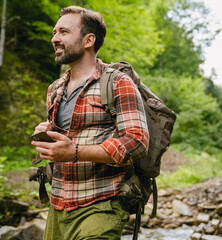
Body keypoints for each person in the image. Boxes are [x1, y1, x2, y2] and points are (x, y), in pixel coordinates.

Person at [31, 6, 149, 240]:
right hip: (58, 204)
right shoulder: (55, 88)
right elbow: (67, 137)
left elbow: (137, 143)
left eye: (63, 32)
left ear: (89, 40)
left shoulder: (117, 83)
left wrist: (74, 152)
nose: (54, 38)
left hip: (101, 203)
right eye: (55, 32)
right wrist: (47, 132)